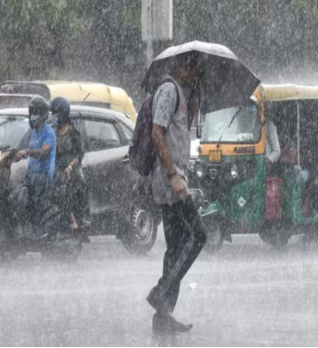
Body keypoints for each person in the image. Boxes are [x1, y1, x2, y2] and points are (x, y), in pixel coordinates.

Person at [146, 54, 207, 335]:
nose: (198, 75)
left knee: (176, 245)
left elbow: (179, 132)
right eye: (195, 69)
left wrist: (194, 101)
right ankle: (162, 291)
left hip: (174, 179)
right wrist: (172, 175)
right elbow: (157, 133)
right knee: (197, 236)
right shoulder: (169, 90)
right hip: (170, 181)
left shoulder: (182, 94)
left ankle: (163, 316)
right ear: (183, 67)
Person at [50, 97, 90, 234]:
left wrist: (70, 167)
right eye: (52, 114)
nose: (54, 117)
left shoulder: (73, 133)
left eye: (56, 114)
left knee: (80, 181)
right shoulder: (52, 132)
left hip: (72, 167)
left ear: (63, 114)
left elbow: (79, 154)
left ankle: (84, 217)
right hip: (56, 166)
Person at [16, 96, 56, 221]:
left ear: (43, 115)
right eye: (31, 113)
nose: (33, 116)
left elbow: (42, 152)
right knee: (16, 196)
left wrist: (27, 152)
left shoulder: (49, 132)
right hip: (31, 174)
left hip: (43, 175)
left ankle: (35, 226)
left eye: (36, 113)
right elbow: (21, 148)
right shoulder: (33, 132)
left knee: (31, 200)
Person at [264, 104, 281, 173]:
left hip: (265, 167)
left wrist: (267, 161)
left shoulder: (269, 125)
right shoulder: (250, 125)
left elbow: (276, 151)